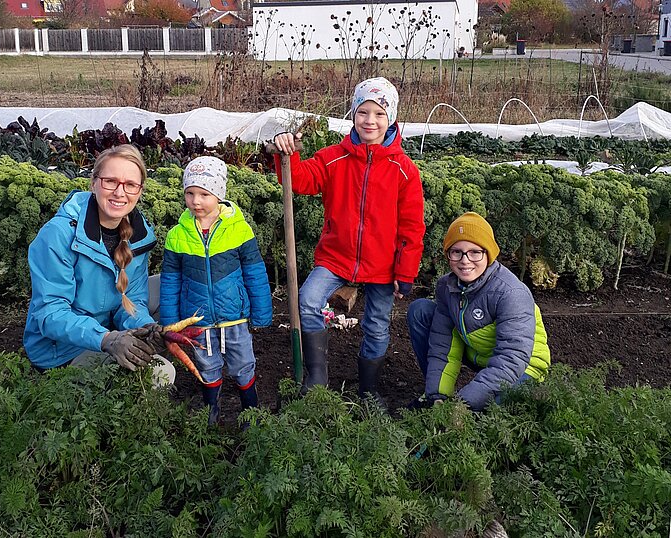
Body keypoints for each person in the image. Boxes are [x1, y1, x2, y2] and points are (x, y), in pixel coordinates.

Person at [273, 77, 425, 403]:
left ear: (392, 119)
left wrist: (406, 273)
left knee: (377, 325)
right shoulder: (333, 158)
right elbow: (299, 181)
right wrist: (287, 153)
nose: (370, 120)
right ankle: (317, 377)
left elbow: (412, 227)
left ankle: (369, 390)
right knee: (308, 302)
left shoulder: (404, 170)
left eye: (379, 114)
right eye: (363, 112)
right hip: (336, 257)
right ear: (353, 114)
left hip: (383, 265)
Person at [24, 144, 161, 372]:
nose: (119, 192)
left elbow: (133, 300)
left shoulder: (138, 234)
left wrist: (146, 327)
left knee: (171, 285)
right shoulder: (58, 235)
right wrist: (107, 339)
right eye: (110, 181)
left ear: (140, 190)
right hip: (62, 350)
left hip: (106, 329)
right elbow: (51, 313)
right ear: (94, 182)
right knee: (160, 373)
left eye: (130, 185)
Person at [160, 156, 273, 426]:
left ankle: (251, 413)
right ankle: (211, 414)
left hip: (234, 316)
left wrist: (261, 313)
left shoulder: (239, 230)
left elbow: (255, 273)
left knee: (243, 363)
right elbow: (170, 282)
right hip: (198, 320)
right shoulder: (177, 235)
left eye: (204, 194)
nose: (196, 201)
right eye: (190, 193)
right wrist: (170, 323)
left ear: (219, 195)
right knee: (207, 365)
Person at [407, 212, 551, 411]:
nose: (465, 260)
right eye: (456, 252)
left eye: (475, 252)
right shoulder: (446, 287)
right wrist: (437, 396)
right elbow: (443, 343)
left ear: (488, 253)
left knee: (486, 415)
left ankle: (519, 394)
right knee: (420, 309)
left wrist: (463, 403)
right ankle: (436, 394)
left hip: (522, 365)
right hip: (480, 354)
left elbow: (511, 358)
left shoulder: (510, 293)